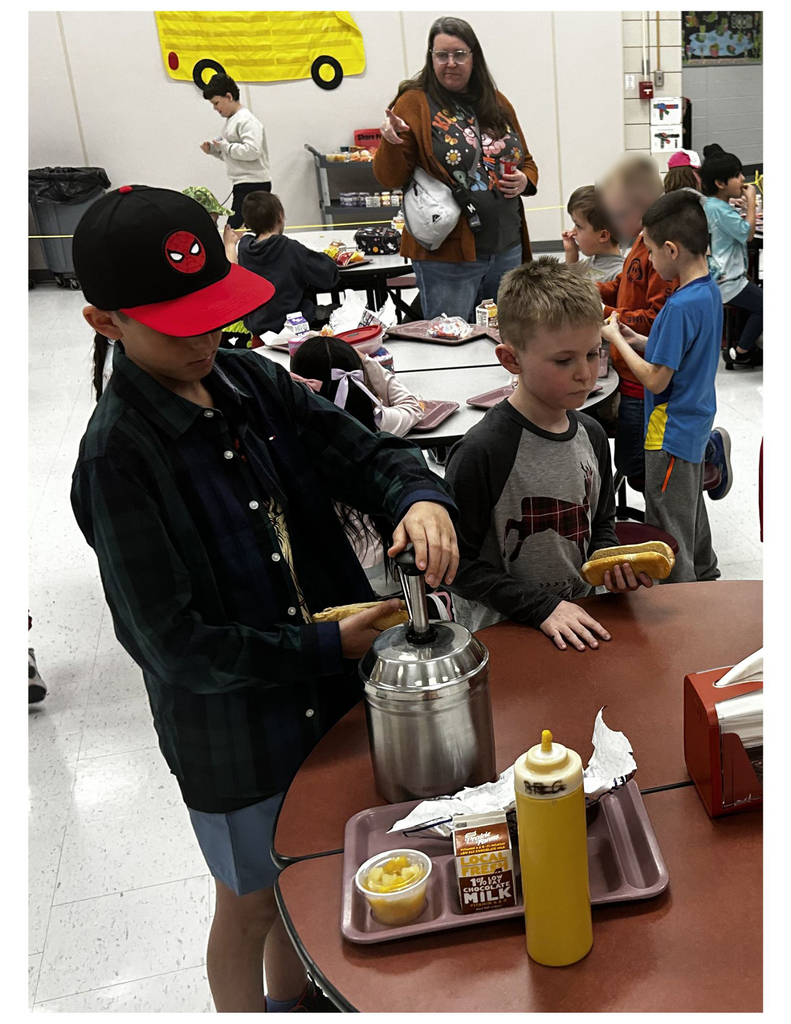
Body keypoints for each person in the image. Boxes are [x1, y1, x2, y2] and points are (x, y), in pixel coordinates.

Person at [70, 185, 459, 1013]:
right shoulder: (118, 461)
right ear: (107, 322)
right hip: (236, 737)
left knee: (313, 885)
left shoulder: (251, 382)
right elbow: (175, 644)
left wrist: (417, 499)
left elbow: (366, 456)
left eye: (216, 312)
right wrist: (328, 647)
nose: (207, 337)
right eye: (180, 324)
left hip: (333, 706)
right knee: (250, 906)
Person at [445, 258, 652, 652]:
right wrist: (540, 607)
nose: (585, 374)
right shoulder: (482, 451)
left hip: (578, 623)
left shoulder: (590, 435)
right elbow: (457, 568)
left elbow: (601, 521)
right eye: (564, 360)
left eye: (593, 354)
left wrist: (610, 563)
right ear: (511, 359)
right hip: (504, 638)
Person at [373, 16, 538, 321]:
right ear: (431, 58)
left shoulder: (497, 102)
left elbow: (526, 160)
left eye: (459, 54)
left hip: (507, 247)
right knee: (450, 343)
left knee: (508, 339)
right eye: (442, 55)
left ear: (474, 57)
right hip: (447, 255)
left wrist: (525, 180)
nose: (451, 63)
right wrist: (391, 141)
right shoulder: (414, 103)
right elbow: (389, 177)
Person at [601, 190, 722, 581]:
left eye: (651, 252)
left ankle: (680, 598)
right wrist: (639, 340)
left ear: (671, 250)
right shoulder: (707, 292)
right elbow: (681, 352)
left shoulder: (677, 306)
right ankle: (706, 573)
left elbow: (655, 376)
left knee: (667, 522)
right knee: (689, 508)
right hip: (695, 421)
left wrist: (617, 339)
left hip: (667, 432)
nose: (649, 260)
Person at [291, 336, 424, 597]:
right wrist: (368, 362)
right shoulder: (377, 422)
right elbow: (412, 406)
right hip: (395, 575)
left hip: (332, 583)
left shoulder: (291, 437)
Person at [598, 154, 677, 479]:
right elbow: (623, 286)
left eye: (620, 214)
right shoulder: (639, 242)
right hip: (625, 369)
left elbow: (655, 318)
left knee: (637, 467)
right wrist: (592, 291)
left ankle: (708, 454)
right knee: (628, 463)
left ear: (643, 204)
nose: (615, 225)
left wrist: (605, 313)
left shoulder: (661, 254)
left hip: (640, 381)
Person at [225, 191, 340, 337]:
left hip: (257, 329)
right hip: (294, 327)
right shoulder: (290, 248)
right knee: (336, 310)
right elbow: (328, 275)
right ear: (280, 216)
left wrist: (229, 244)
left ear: (248, 223)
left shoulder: (244, 248)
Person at [700, 144, 763, 367]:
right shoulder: (719, 209)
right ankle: (740, 351)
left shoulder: (714, 205)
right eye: (736, 175)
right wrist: (752, 203)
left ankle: (745, 343)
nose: (741, 179)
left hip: (725, 277)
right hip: (727, 281)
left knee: (755, 299)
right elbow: (746, 234)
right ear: (720, 183)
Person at [182, 186, 252, 348]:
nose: (214, 227)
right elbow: (231, 280)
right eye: (212, 222)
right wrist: (230, 245)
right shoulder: (193, 251)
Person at [200, 73, 271, 230]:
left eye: (217, 103)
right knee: (240, 230)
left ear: (229, 96)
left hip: (253, 184)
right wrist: (214, 151)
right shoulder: (231, 121)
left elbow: (252, 151)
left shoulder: (246, 120)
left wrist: (225, 146)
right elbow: (235, 155)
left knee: (233, 230)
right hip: (243, 183)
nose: (215, 108)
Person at [561, 185, 624, 283]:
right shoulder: (589, 263)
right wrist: (571, 253)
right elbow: (568, 287)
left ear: (603, 235)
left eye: (578, 226)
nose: (573, 232)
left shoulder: (618, 274)